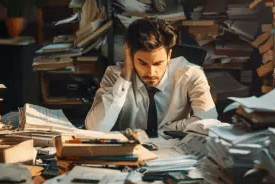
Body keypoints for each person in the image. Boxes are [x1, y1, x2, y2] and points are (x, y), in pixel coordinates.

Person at [85, 17, 218, 136]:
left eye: (158, 63)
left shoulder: (190, 74)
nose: (151, 72)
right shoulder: (114, 76)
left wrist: (166, 130)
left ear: (169, 55)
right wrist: (124, 79)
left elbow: (208, 120)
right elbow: (95, 129)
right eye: (142, 63)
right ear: (130, 56)